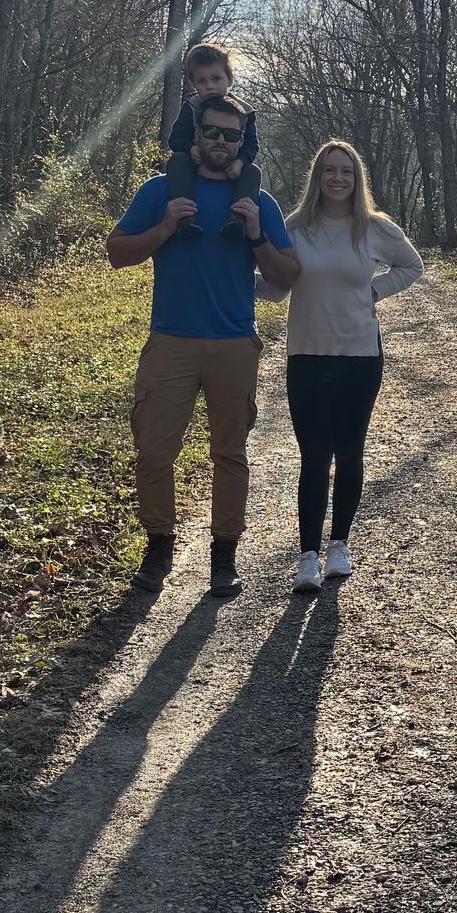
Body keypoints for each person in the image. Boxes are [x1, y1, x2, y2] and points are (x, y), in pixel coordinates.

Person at [106, 95, 301, 596]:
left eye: (230, 135)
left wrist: (256, 235)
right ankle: (159, 548)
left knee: (229, 454)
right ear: (195, 135)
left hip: (234, 343)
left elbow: (287, 275)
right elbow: (117, 253)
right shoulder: (160, 191)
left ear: (241, 142)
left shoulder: (258, 202)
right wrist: (165, 227)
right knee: (153, 451)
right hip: (170, 340)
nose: (220, 141)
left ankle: (224, 557)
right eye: (211, 131)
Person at [270, 139, 423, 592]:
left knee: (350, 451)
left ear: (357, 179)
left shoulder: (374, 228)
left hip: (359, 354)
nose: (337, 178)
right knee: (314, 455)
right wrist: (232, 280)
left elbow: (412, 266)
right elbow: (277, 287)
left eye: (346, 171)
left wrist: (376, 291)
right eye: (329, 170)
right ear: (316, 177)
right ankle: (308, 556)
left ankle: (339, 544)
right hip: (306, 353)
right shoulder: (293, 228)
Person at [164, 40, 261, 241]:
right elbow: (176, 139)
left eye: (216, 79)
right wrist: (190, 148)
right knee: (177, 161)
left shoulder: (245, 111)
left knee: (252, 172)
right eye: (202, 81)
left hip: (231, 165)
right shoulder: (191, 106)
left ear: (229, 79)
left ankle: (237, 219)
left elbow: (251, 145)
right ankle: (186, 217)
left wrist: (240, 161)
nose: (210, 86)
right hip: (195, 163)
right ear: (194, 84)